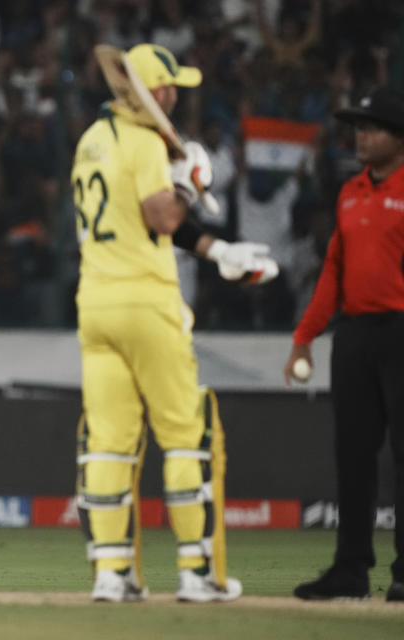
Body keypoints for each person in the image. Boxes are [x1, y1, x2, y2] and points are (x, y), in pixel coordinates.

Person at [72, 44, 278, 603]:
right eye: (172, 87)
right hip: (147, 301)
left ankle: (111, 575)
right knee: (186, 435)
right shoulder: (142, 142)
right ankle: (197, 572)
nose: (177, 96)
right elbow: (161, 216)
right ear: (155, 91)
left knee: (110, 443)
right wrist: (186, 184)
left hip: (95, 304)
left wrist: (218, 252)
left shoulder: (91, 139)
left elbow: (145, 221)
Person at [288, 86, 404, 603]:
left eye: (372, 126)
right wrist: (304, 337)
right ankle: (350, 571)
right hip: (354, 336)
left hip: (402, 331)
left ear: (399, 138)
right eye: (357, 126)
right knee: (352, 457)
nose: (361, 135)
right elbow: (333, 270)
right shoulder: (350, 191)